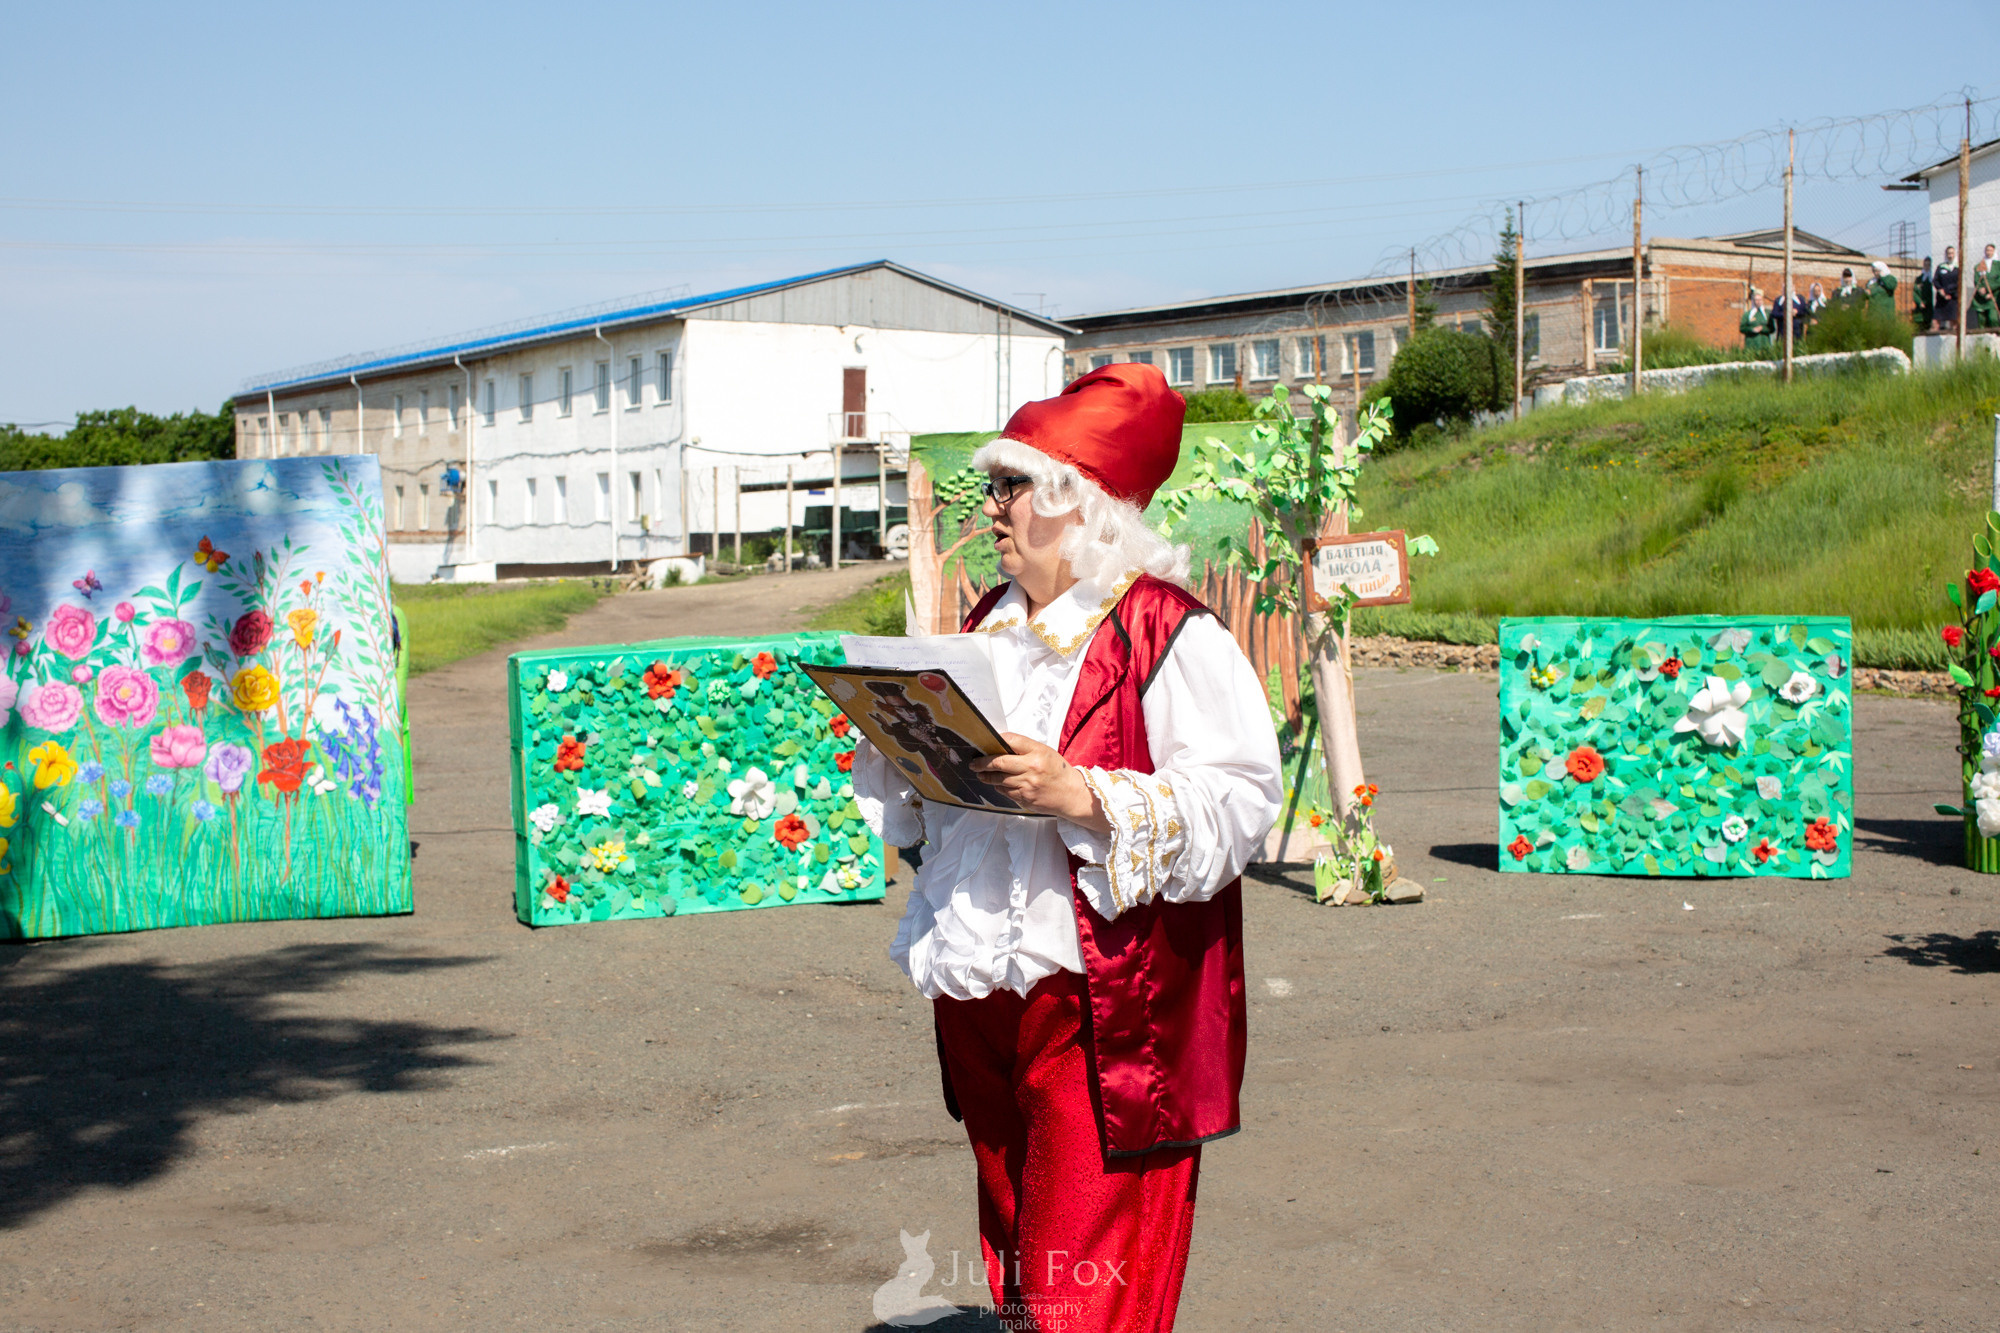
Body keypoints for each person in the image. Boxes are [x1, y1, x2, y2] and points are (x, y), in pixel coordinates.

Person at [855, 362, 1281, 1332]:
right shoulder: (986, 625)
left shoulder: (1164, 629)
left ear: (1077, 503)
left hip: (1104, 1001)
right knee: (1022, 1266)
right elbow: (948, 804)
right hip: (982, 989)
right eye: (993, 486)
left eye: (1010, 486)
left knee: (1080, 1297)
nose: (991, 508)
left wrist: (1081, 793)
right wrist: (901, 743)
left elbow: (1239, 799)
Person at [1973, 244, 2000, 331]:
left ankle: (1996, 335)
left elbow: (1998, 281)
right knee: (1982, 319)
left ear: (1994, 251)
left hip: (1994, 296)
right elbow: (1977, 280)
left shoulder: (1998, 265)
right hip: (1981, 297)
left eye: (1991, 250)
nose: (1988, 252)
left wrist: (1988, 290)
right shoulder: (1979, 266)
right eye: (1987, 250)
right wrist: (1981, 290)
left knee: (1993, 318)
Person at [1936, 247, 1961, 330]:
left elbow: (1959, 282)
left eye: (1952, 253)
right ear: (1946, 254)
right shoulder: (1941, 267)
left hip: (1953, 297)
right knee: (1935, 321)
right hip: (1942, 297)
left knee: (1954, 321)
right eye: (1948, 253)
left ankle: (1953, 337)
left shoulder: (1959, 267)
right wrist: (1940, 290)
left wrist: (1949, 292)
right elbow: (1935, 280)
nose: (1950, 255)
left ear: (1955, 254)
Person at [1914, 257, 1936, 333]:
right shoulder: (1919, 279)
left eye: (1928, 265)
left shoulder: (1932, 279)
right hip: (1920, 308)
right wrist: (1919, 302)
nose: (1927, 267)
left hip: (1929, 307)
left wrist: (1927, 302)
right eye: (1925, 265)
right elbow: (1914, 292)